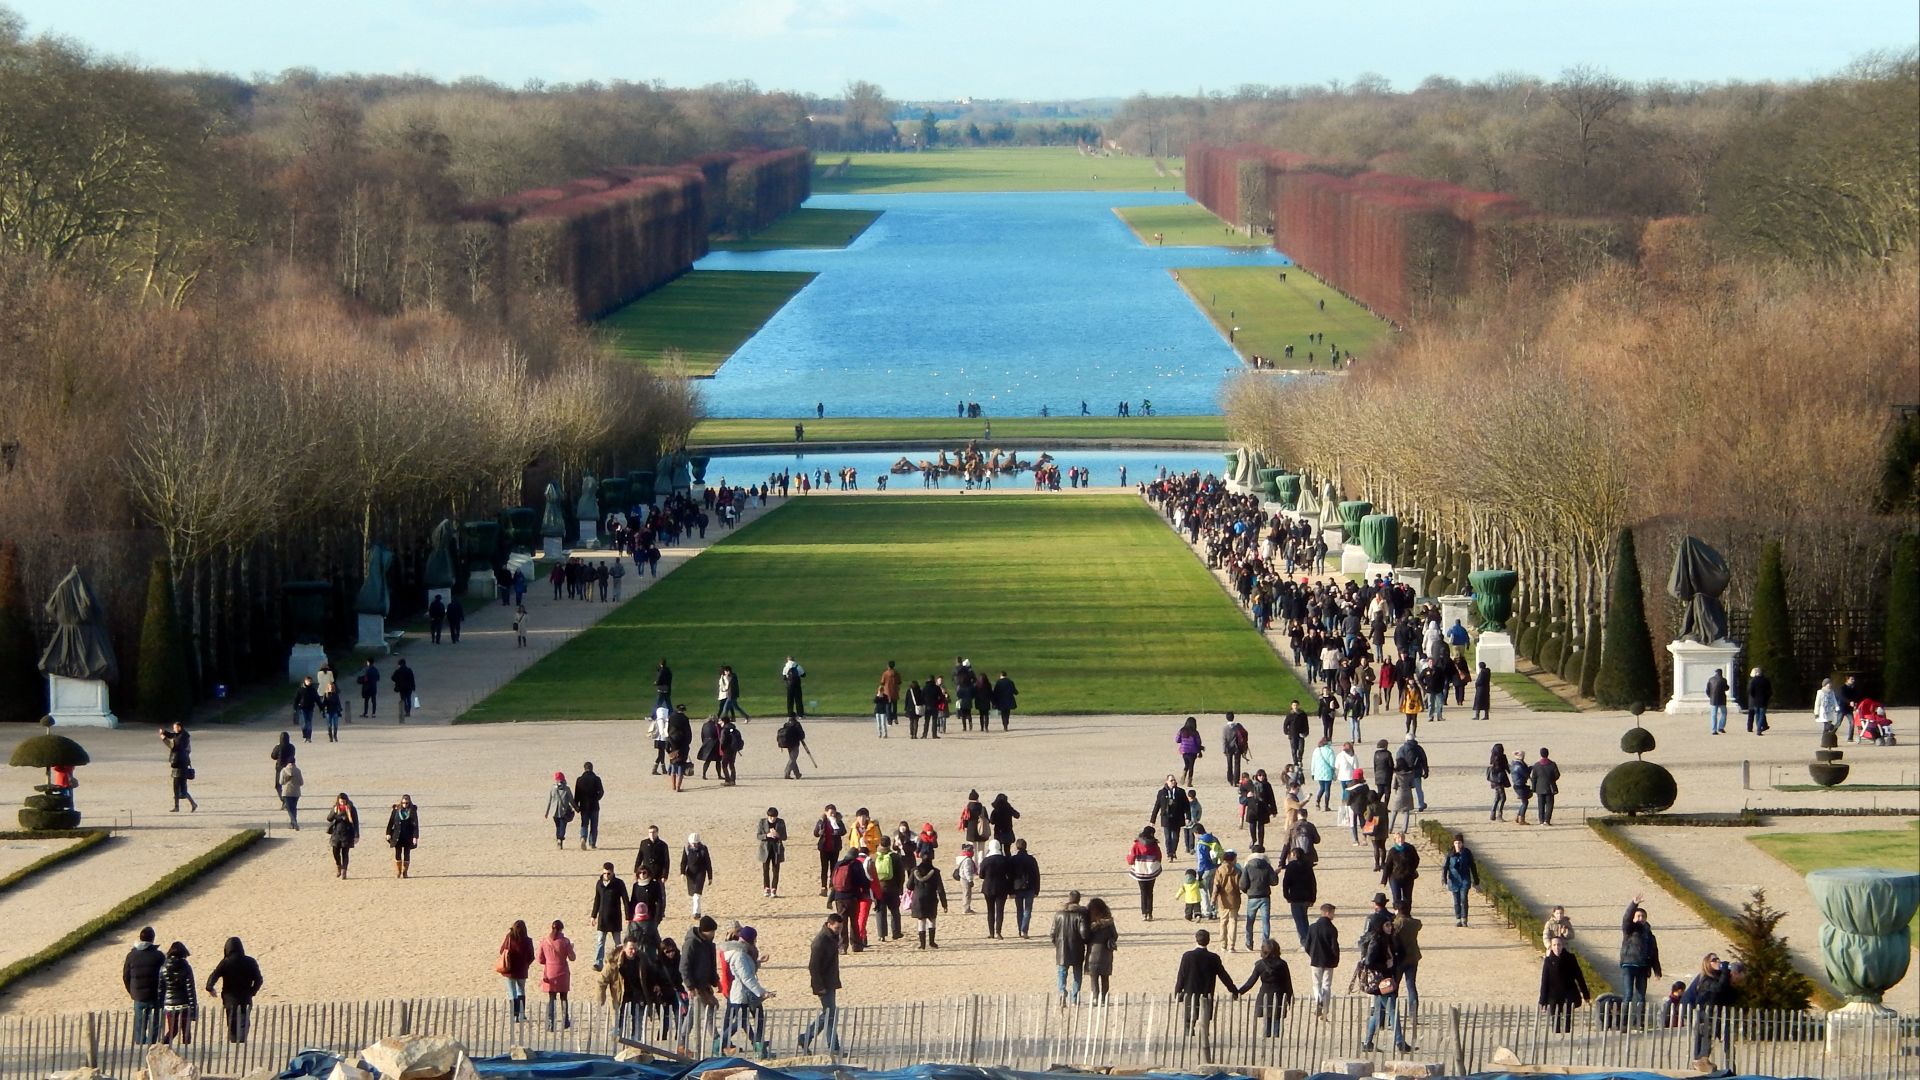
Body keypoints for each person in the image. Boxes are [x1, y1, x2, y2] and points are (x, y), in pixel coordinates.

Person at [1172, 930, 1239, 1059]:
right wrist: (1234, 990)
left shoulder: (1187, 956)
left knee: (1188, 1019)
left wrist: (1177, 992)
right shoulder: (1213, 958)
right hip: (1206, 992)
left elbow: (1181, 975)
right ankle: (1204, 1043)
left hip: (1190, 992)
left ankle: (1189, 1039)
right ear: (1208, 941)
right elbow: (1223, 976)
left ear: (1196, 939)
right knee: (1204, 1021)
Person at [1358, 921, 1408, 1053]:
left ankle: (1368, 1042)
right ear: (1380, 926)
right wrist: (1386, 965)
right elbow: (1369, 962)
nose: (1390, 927)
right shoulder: (1377, 941)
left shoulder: (1387, 939)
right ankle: (1399, 1042)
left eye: (1390, 925)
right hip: (1381, 982)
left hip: (1385, 980)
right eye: (1386, 925)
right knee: (1392, 1011)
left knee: (1378, 1011)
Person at [797, 914, 843, 1054]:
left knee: (830, 1014)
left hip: (830, 981)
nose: (839, 930)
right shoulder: (820, 941)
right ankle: (807, 1037)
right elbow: (813, 967)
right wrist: (819, 987)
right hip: (823, 983)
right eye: (836, 928)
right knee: (829, 1013)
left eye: (840, 928)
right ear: (829, 924)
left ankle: (833, 1046)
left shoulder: (832, 937)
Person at [203, 937, 262, 1043]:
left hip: (230, 1000)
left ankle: (235, 1044)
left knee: (232, 1025)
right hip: (245, 999)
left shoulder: (226, 962)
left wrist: (210, 988)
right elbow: (259, 980)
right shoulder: (250, 961)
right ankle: (241, 1042)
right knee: (244, 1023)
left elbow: (213, 977)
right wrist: (252, 992)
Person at [678, 917, 721, 1055]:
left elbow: (711, 964)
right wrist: (690, 987)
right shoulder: (691, 943)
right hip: (695, 987)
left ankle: (682, 1044)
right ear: (705, 931)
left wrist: (715, 981)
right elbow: (684, 967)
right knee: (702, 1013)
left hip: (705, 985)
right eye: (712, 931)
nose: (713, 934)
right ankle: (717, 1044)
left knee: (701, 1013)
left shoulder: (708, 943)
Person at [1619, 895, 1664, 1026]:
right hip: (1628, 965)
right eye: (1638, 916)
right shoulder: (1630, 930)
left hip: (1643, 967)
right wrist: (1634, 904)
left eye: (1643, 917)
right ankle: (1624, 1022)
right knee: (1628, 995)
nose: (1640, 919)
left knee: (1641, 997)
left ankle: (1639, 1021)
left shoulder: (1649, 935)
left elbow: (1654, 953)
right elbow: (1626, 919)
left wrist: (1657, 970)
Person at [1237, 938, 1294, 1037]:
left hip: (1265, 996)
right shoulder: (1282, 964)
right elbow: (1287, 983)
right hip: (1279, 995)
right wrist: (1290, 998)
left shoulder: (1260, 965)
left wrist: (1238, 992)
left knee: (1267, 1021)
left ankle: (1267, 1039)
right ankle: (1275, 1040)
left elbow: (1250, 982)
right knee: (1277, 1021)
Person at [1539, 935, 1590, 1033]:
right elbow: (1544, 981)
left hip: (1568, 993)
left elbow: (1579, 977)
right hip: (1554, 994)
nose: (1557, 947)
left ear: (1562, 946)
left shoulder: (1571, 958)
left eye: (1559, 945)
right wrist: (1542, 1000)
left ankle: (1567, 1033)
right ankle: (1556, 1035)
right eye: (1554, 945)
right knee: (1555, 1020)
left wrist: (1586, 994)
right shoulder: (1548, 961)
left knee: (1567, 1018)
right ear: (1551, 947)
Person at [125, 927, 166, 1044]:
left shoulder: (131, 955)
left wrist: (132, 991)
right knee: (154, 1024)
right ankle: (151, 1046)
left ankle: (140, 1046)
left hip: (138, 996)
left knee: (139, 1024)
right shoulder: (159, 956)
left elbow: (126, 976)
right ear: (153, 939)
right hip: (154, 995)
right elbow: (164, 976)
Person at [1050, 890, 1089, 1005]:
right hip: (1077, 949)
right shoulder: (1080, 915)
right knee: (1077, 974)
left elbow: (1052, 933)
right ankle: (1074, 998)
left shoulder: (1059, 914)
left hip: (1062, 950)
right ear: (1078, 900)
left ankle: (1062, 993)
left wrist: (1057, 944)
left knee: (1062, 973)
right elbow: (1084, 934)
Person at [537, 920, 576, 1031]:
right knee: (564, 997)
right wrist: (571, 948)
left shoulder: (545, 941)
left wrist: (548, 960)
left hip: (550, 972)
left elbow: (540, 959)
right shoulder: (565, 941)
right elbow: (572, 958)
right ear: (561, 929)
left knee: (552, 998)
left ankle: (551, 1023)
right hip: (563, 971)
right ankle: (565, 1021)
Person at [589, 863, 629, 971]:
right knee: (600, 941)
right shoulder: (599, 883)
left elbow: (625, 900)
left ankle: (620, 961)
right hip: (603, 917)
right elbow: (597, 900)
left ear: (612, 872)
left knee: (618, 943)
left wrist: (627, 916)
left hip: (615, 917)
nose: (606, 875)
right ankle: (598, 962)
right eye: (604, 873)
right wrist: (593, 916)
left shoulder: (619, 883)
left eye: (608, 873)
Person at [1304, 903, 1340, 1017]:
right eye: (1333, 912)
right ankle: (1325, 1008)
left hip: (1315, 960)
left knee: (1316, 984)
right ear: (1327, 913)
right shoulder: (1332, 929)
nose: (1334, 915)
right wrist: (1335, 959)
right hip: (1328, 961)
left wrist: (1312, 954)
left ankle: (1318, 1000)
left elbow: (1307, 945)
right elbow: (1334, 947)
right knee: (1327, 985)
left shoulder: (1313, 927)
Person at [1239, 844, 1277, 950]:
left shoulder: (1247, 866)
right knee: (1265, 921)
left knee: (1250, 921)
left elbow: (1242, 884)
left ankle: (1249, 943)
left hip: (1252, 897)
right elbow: (1274, 882)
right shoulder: (1267, 865)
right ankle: (1265, 943)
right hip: (1265, 896)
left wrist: (1247, 891)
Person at [158, 942, 197, 1046]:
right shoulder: (186, 967)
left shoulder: (164, 968)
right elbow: (190, 989)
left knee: (172, 1031)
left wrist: (160, 1005)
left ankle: (163, 1046)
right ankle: (187, 1051)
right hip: (184, 1004)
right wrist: (193, 1010)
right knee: (186, 1032)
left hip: (170, 1005)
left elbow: (160, 989)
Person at [908, 850, 948, 949]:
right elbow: (940, 889)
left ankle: (922, 944)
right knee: (932, 919)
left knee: (921, 921)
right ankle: (932, 942)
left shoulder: (914, 870)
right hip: (931, 898)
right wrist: (944, 904)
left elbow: (909, 886)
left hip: (918, 898)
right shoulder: (935, 872)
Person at [1279, 846, 1316, 949]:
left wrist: (1286, 896)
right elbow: (1313, 883)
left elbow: (1286, 883)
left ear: (1294, 855)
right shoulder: (1308, 866)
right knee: (1304, 919)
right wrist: (1313, 898)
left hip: (1295, 897)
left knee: (1299, 921)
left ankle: (1305, 941)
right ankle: (1308, 939)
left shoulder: (1291, 867)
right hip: (1306, 897)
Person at [498, 920, 536, 1022]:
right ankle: (521, 1015)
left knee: (512, 992)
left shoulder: (509, 937)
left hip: (510, 970)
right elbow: (532, 956)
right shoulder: (528, 940)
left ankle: (514, 1015)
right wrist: (526, 964)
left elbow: (502, 950)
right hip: (522, 970)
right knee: (521, 991)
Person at [1441, 834, 1480, 926]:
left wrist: (1476, 880)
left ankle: (1464, 919)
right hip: (1454, 879)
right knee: (1456, 901)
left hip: (1464, 879)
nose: (1457, 845)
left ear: (1462, 843)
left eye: (1459, 843)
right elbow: (1445, 867)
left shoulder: (1467, 853)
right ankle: (1458, 919)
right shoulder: (1450, 853)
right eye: (1456, 843)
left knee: (1463, 899)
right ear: (1453, 844)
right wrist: (1444, 879)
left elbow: (1472, 866)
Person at [1127, 826, 1164, 921]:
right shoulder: (1154, 844)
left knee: (1143, 893)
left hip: (1140, 870)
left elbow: (1131, 858)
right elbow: (1159, 856)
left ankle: (1144, 913)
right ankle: (1150, 913)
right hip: (1151, 871)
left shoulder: (1137, 844)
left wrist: (1131, 863)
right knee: (1150, 892)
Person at [160, 723, 197, 813]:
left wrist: (164, 739)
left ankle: (193, 804)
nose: (174, 729)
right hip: (177, 764)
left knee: (183, 789)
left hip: (181, 764)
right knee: (176, 787)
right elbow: (172, 735)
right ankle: (177, 807)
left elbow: (174, 746)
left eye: (175, 728)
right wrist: (164, 732)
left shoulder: (182, 737)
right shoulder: (180, 734)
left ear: (180, 727)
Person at [1009, 838, 1042, 936]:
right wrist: (1037, 890)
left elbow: (1010, 876)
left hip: (1017, 888)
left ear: (1017, 847)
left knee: (1019, 910)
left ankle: (1020, 929)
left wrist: (1010, 891)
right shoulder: (1031, 859)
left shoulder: (1013, 859)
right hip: (1030, 887)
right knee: (1028, 910)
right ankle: (1024, 930)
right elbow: (1037, 875)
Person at [1381, 831, 1420, 911]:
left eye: (1402, 837)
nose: (1400, 839)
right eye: (1398, 838)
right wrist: (1384, 879)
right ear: (1395, 840)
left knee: (1407, 898)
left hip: (1408, 877)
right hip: (1395, 877)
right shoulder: (1393, 851)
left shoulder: (1410, 848)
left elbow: (1416, 859)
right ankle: (1397, 914)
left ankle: (1407, 914)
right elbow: (1388, 865)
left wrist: (1411, 869)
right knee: (1396, 897)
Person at [385, 794, 419, 878]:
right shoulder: (396, 810)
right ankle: (398, 871)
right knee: (398, 853)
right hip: (397, 835)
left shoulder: (412, 811)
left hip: (408, 836)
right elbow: (390, 822)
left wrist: (415, 837)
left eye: (406, 803)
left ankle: (405, 872)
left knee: (407, 854)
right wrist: (388, 833)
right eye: (403, 803)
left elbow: (415, 825)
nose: (405, 804)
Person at [326, 793, 359, 878]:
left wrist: (356, 835)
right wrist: (334, 812)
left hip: (347, 834)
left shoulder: (351, 809)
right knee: (335, 852)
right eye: (341, 801)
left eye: (344, 801)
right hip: (336, 833)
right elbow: (329, 819)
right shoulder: (336, 808)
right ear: (338, 801)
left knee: (345, 853)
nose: (342, 802)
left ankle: (344, 871)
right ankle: (338, 866)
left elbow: (355, 822)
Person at [573, 763, 605, 851]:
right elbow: (601, 792)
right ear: (592, 768)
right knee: (594, 825)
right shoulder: (597, 779)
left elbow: (577, 794)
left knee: (584, 824)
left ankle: (583, 837)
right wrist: (597, 799)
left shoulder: (579, 779)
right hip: (594, 805)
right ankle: (592, 843)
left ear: (584, 768)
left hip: (584, 806)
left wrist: (576, 806)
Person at [758, 808, 787, 897]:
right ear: (768, 816)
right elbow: (758, 836)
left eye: (774, 817)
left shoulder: (781, 822)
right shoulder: (762, 822)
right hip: (765, 849)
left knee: (776, 870)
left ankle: (774, 889)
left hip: (776, 849)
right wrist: (767, 835)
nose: (772, 819)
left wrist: (778, 835)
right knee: (765, 870)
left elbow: (785, 837)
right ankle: (766, 888)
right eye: (771, 817)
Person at [1530, 748, 1561, 826]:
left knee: (1540, 805)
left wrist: (1533, 788)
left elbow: (1534, 778)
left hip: (1539, 788)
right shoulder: (1552, 764)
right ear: (1548, 754)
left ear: (1541, 754)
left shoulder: (1536, 765)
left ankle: (1541, 820)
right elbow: (1557, 775)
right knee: (1549, 805)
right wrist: (1552, 780)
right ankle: (1547, 820)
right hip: (1550, 787)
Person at [545, 771, 576, 848]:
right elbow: (571, 800)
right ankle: (560, 839)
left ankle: (558, 839)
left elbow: (549, 801)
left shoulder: (553, 788)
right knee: (563, 826)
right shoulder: (567, 789)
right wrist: (577, 808)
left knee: (558, 827)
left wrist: (547, 812)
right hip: (563, 811)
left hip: (554, 812)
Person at [1174, 717, 1203, 786]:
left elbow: (1177, 740)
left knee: (1186, 764)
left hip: (1184, 750)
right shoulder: (1195, 732)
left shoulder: (1182, 731)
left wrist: (1183, 741)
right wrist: (1200, 750)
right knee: (1191, 766)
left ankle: (1183, 775)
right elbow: (1198, 742)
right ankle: (1189, 782)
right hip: (1193, 751)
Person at [778, 714, 806, 780]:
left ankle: (797, 774)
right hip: (795, 743)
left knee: (792, 758)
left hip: (788, 744)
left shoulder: (786, 724)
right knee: (793, 759)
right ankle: (786, 773)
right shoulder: (797, 724)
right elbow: (802, 735)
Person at [1222, 712, 1248, 785]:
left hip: (1228, 748)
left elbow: (1224, 740)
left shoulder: (1225, 728)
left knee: (1229, 764)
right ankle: (1235, 781)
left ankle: (1230, 779)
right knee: (1237, 764)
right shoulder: (1238, 726)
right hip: (1237, 747)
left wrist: (1224, 750)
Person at [278, 758, 303, 830]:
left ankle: (294, 822)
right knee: (294, 808)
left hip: (287, 792)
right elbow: (301, 783)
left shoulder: (284, 770)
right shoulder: (298, 771)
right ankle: (293, 824)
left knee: (289, 809)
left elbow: (281, 782)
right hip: (296, 792)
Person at [1486, 743, 1509, 821]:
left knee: (1497, 797)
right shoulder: (1502, 757)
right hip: (1500, 780)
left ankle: (1492, 814)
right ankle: (1499, 815)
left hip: (1494, 780)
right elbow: (1506, 767)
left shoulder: (1493, 757)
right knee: (1503, 798)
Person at [1510, 749, 1534, 825]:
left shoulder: (1514, 764)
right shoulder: (1519, 766)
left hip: (1517, 785)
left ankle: (1518, 817)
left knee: (1524, 802)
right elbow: (1526, 774)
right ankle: (1521, 819)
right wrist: (1531, 768)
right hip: (1520, 785)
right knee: (1525, 802)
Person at [1746, 666, 1772, 734]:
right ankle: (1759, 729)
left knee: (1757, 715)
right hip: (1763, 700)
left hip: (1755, 701)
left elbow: (1751, 691)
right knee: (1761, 715)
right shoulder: (1765, 681)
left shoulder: (1753, 681)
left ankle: (1758, 727)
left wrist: (1754, 696)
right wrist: (1767, 698)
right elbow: (1769, 692)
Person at [293, 678, 319, 743]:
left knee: (309, 723)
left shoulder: (313, 690)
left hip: (310, 708)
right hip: (302, 708)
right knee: (304, 723)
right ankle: (305, 736)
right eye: (307, 681)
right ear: (304, 681)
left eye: (310, 681)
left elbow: (317, 699)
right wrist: (295, 707)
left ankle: (309, 737)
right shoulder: (300, 690)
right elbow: (296, 699)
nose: (309, 682)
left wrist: (321, 707)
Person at [1705, 668, 1730, 735]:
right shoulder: (1723, 680)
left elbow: (1707, 690)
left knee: (1713, 715)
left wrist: (1710, 696)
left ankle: (1714, 730)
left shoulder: (1711, 679)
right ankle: (1721, 727)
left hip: (1713, 699)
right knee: (1724, 713)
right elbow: (1726, 688)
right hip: (1722, 699)